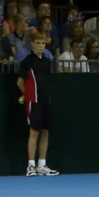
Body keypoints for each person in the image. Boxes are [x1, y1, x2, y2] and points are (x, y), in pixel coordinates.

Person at [17, 30, 60, 177]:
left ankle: (42, 165)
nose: (41, 46)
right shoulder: (27, 62)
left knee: (45, 132)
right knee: (34, 132)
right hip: (33, 101)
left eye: (43, 44)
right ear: (32, 45)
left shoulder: (47, 62)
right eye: (38, 43)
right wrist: (28, 96)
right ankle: (31, 166)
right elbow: (20, 82)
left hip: (45, 101)